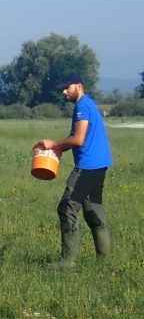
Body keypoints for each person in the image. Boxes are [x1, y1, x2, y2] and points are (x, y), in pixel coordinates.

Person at [38, 72, 113, 268]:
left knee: (66, 208)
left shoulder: (82, 107)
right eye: (63, 88)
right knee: (92, 210)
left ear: (78, 86)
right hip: (99, 165)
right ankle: (104, 262)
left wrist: (54, 144)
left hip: (88, 166)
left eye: (67, 87)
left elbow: (78, 139)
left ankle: (67, 261)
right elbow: (79, 138)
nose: (64, 92)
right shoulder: (88, 104)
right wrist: (59, 147)